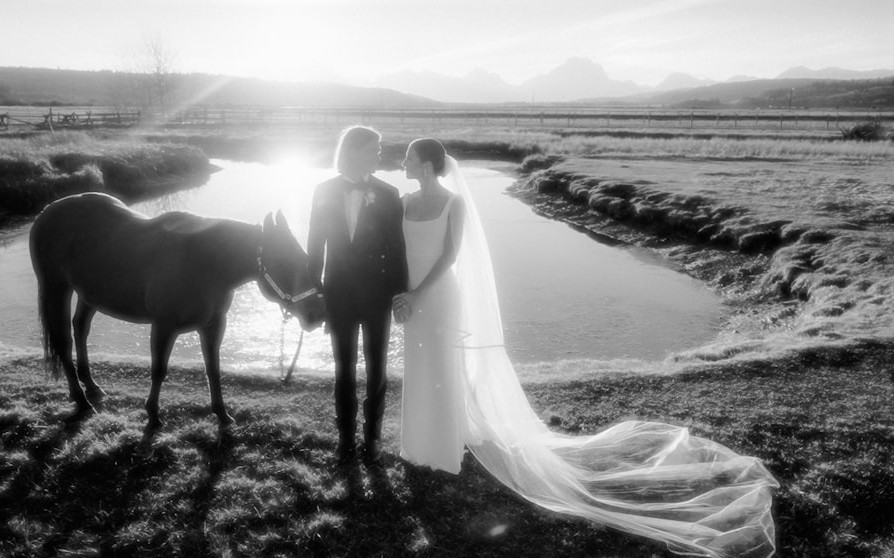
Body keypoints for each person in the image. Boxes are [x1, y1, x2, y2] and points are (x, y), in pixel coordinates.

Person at [393, 138, 780, 558]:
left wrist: (418, 293)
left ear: (428, 164)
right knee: (419, 365)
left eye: (410, 157)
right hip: (409, 298)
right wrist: (400, 293)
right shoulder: (404, 201)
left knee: (444, 367)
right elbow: (396, 251)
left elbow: (450, 255)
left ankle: (444, 447)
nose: (404, 162)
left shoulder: (454, 204)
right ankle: (417, 442)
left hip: (437, 296)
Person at [307, 125, 408, 466]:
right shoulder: (323, 190)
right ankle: (346, 440)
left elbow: (397, 249)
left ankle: (373, 439)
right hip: (337, 296)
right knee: (344, 369)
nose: (379, 155)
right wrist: (314, 295)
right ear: (353, 151)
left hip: (378, 296)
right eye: (374, 149)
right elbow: (314, 249)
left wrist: (400, 295)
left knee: (377, 369)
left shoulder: (389, 193)